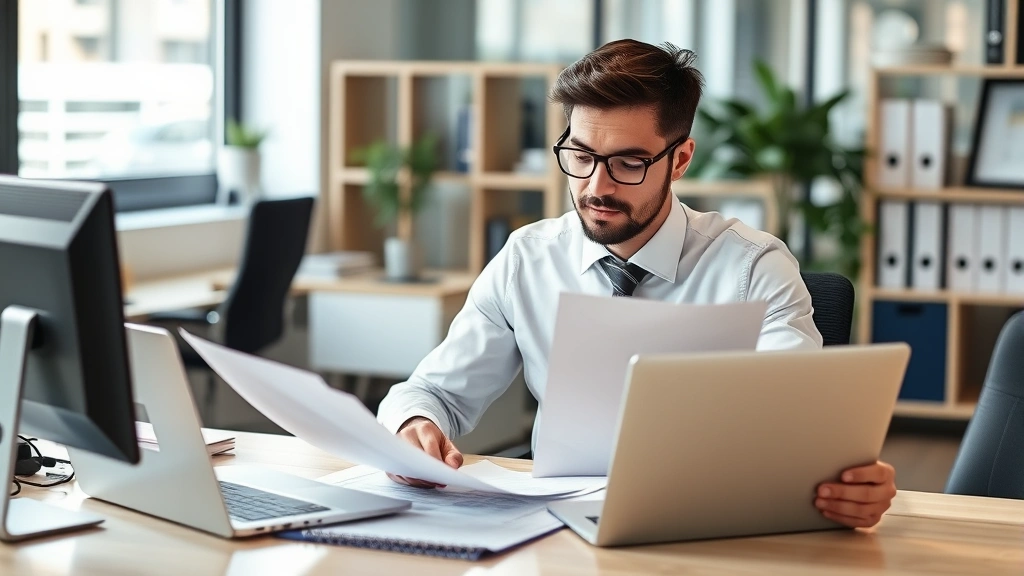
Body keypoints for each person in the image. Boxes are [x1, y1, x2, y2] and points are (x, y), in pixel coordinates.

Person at [377, 39, 896, 528]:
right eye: (580, 157)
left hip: (709, 522)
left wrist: (847, 483)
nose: (595, 187)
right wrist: (413, 427)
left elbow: (800, 425)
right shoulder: (527, 259)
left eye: (628, 163)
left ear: (681, 159)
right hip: (555, 527)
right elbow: (431, 391)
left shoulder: (753, 268)